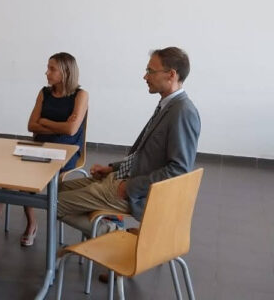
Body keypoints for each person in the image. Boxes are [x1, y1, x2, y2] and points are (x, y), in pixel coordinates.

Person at [57, 47, 201, 237]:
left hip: (132, 191)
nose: (145, 76)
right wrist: (113, 168)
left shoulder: (183, 112)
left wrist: (130, 188)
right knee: (57, 190)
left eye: (150, 71)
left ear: (171, 75)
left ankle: (111, 233)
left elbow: (179, 170)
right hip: (120, 179)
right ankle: (105, 228)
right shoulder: (168, 106)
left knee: (54, 202)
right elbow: (145, 155)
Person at [21, 52, 89, 246]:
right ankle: (32, 223)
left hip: (66, 151)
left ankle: (47, 220)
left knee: (42, 173)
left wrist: (44, 121)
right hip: (40, 146)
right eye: (48, 67)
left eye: (52, 69)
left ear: (66, 72)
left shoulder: (81, 95)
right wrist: (56, 125)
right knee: (21, 174)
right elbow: (31, 125)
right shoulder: (44, 92)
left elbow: (71, 130)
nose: (47, 72)